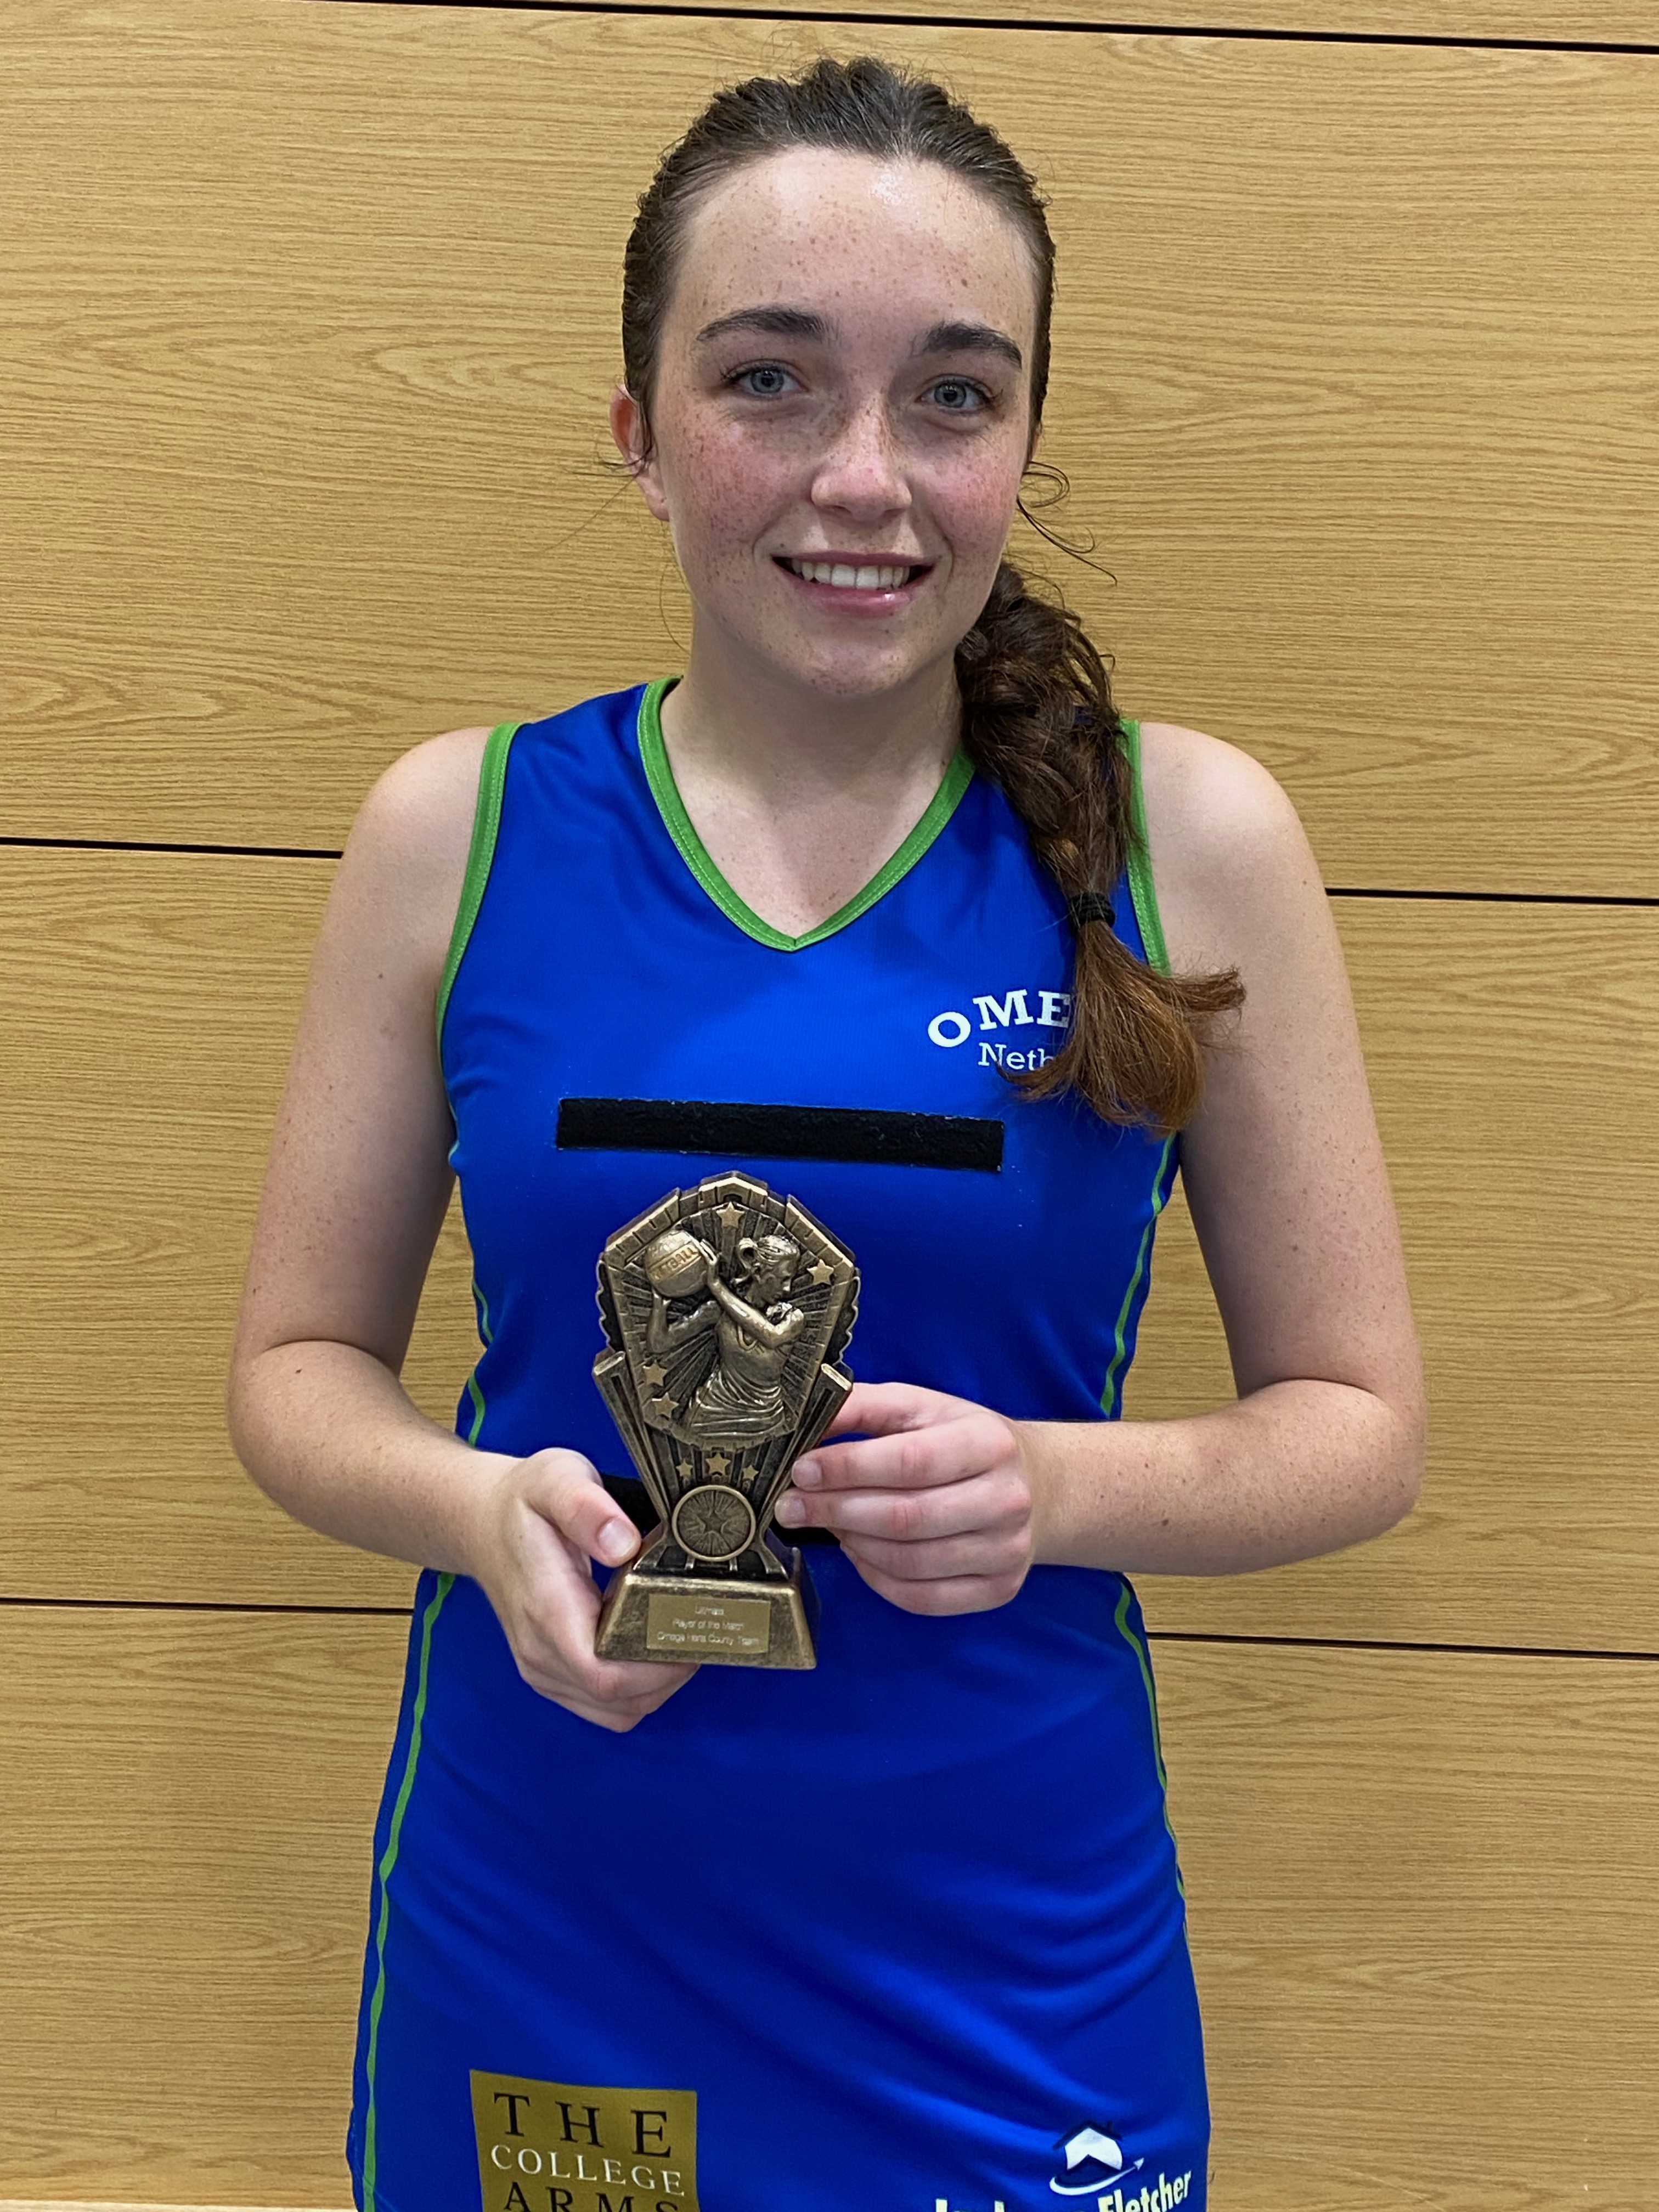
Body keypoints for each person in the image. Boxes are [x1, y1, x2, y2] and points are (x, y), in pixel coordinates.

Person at [227, 55, 1424, 2212]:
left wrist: (1054, 1487)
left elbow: (1357, 1429)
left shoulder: (1190, 838)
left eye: (953, 396)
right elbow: (296, 1375)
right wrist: (478, 1509)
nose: (864, 478)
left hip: (1007, 1968)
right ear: (638, 430)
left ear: (1024, 440)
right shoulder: (456, 832)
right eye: (768, 378)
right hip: (550, 1930)